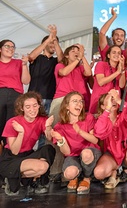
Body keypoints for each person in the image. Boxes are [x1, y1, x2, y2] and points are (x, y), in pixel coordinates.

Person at [48, 44, 92, 180]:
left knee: (76, 136)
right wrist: (76, 60)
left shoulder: (80, 67)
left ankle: (75, 168)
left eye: (78, 51)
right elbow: (64, 73)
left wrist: (82, 57)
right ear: (66, 55)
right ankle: (55, 171)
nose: (76, 53)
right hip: (61, 100)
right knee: (57, 135)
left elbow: (89, 73)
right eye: (73, 51)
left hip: (78, 102)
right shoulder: (60, 66)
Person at [0, 92, 56, 195]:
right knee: (42, 167)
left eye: (35, 106)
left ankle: (24, 178)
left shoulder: (41, 120)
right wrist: (21, 133)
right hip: (11, 158)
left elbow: (50, 138)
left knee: (48, 149)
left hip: (28, 154)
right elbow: (15, 151)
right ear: (22, 108)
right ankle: (12, 176)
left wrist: (48, 126)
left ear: (39, 106)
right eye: (28, 107)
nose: (32, 109)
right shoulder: (13, 122)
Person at [50, 91, 102, 195]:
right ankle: (75, 177)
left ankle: (87, 178)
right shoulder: (59, 127)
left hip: (90, 153)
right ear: (67, 106)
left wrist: (80, 132)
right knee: (69, 174)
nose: (79, 104)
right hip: (73, 155)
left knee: (86, 154)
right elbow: (67, 152)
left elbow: (95, 140)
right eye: (75, 101)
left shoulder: (88, 118)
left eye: (81, 101)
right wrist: (61, 140)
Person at [93, 90, 127, 189]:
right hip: (112, 155)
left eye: (113, 98)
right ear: (102, 106)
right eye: (110, 99)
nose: (113, 101)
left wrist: (120, 101)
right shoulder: (101, 119)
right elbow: (99, 133)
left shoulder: (123, 115)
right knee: (98, 173)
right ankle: (114, 173)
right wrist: (107, 110)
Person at [0, 39, 30, 154]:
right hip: (0, 94)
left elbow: (26, 81)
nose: (10, 49)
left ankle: (9, 157)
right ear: (0, 49)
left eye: (13, 47)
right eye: (7, 46)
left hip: (15, 96)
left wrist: (24, 65)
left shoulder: (18, 63)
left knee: (12, 126)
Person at [28, 25, 63, 113]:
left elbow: (62, 60)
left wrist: (54, 39)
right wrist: (49, 39)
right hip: (35, 97)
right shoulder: (38, 58)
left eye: (55, 43)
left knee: (47, 125)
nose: (53, 45)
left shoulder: (56, 61)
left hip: (51, 97)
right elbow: (31, 56)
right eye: (51, 43)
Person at [89, 45, 126, 114]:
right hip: (99, 103)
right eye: (114, 52)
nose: (117, 55)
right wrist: (118, 72)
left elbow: (121, 85)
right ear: (108, 55)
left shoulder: (120, 69)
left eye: (119, 53)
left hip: (113, 105)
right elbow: (101, 82)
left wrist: (122, 69)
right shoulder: (101, 64)